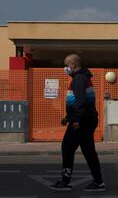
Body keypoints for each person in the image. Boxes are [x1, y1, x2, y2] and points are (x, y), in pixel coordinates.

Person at [49, 54, 105, 192]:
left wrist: (76, 120)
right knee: (88, 151)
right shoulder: (83, 77)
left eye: (66, 65)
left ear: (73, 65)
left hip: (82, 120)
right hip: (87, 119)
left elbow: (81, 102)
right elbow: (80, 101)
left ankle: (65, 181)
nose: (65, 68)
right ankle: (98, 182)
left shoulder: (78, 79)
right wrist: (68, 117)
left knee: (67, 147)